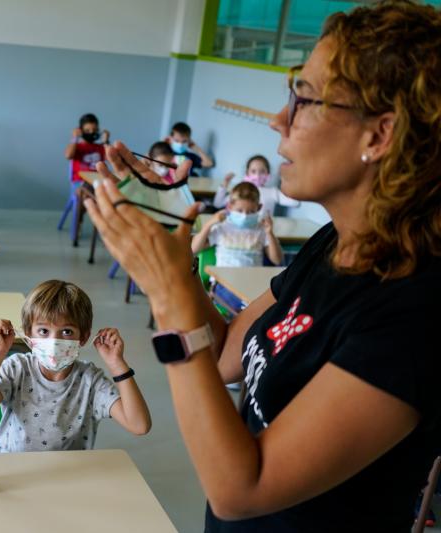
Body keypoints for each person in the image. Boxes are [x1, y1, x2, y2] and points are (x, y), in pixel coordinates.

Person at [83, 2, 441, 530]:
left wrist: (167, 296)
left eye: (305, 99)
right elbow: (228, 354)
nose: (279, 119)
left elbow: (240, 489)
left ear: (379, 134)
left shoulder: (417, 308)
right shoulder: (332, 243)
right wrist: (175, 257)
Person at [0, 280, 151, 452]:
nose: (54, 341)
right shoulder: (16, 368)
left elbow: (139, 425)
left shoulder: (90, 380)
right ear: (29, 333)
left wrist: (117, 364)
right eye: (43, 331)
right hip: (15, 470)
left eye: (67, 331)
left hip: (68, 477)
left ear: (83, 337)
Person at [192, 182, 283, 267]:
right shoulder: (221, 226)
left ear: (259, 208)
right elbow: (194, 249)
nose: (245, 215)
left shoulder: (261, 229)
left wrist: (270, 233)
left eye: (251, 211)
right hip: (223, 280)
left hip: (251, 279)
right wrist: (209, 224)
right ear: (230, 206)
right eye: (239, 210)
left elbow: (277, 260)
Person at [214, 155, 299, 215]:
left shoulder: (273, 192)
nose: (257, 175)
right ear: (247, 173)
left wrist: (287, 179)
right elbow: (217, 204)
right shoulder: (241, 190)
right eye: (253, 171)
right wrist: (225, 184)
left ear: (268, 173)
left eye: (262, 171)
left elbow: (295, 203)